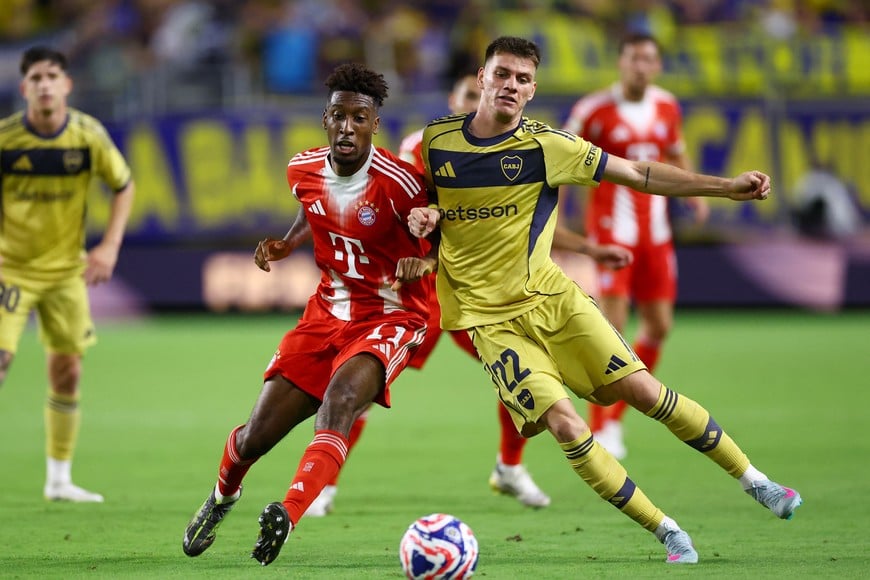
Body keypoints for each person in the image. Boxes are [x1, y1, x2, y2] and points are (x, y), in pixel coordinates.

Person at [408, 36, 802, 565]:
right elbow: (422, 202)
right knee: (566, 425)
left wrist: (724, 187)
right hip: (490, 324)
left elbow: (638, 173)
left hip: (555, 302)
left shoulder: (549, 146)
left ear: (532, 90)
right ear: (481, 78)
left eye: (523, 79)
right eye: (502, 74)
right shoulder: (437, 141)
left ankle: (757, 481)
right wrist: (424, 221)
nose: (511, 86)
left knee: (644, 391)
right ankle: (667, 531)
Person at [303, 72, 633, 517]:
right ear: (454, 100)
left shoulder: (497, 152)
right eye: (470, 97)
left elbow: (524, 226)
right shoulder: (422, 149)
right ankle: (324, 486)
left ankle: (509, 467)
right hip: (415, 296)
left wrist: (591, 248)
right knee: (360, 390)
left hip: (469, 294)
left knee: (524, 374)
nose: (478, 103)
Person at [182, 63, 437, 567]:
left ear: (374, 125)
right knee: (255, 435)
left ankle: (289, 512)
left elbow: (447, 242)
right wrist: (287, 243)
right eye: (339, 116)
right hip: (324, 315)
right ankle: (221, 499)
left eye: (359, 117)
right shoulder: (302, 169)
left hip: (390, 315)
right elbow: (310, 208)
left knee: (340, 403)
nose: (347, 127)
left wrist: (424, 259)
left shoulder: (402, 184)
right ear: (325, 119)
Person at [561, 32, 709, 459]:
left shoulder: (667, 105)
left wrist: (696, 194)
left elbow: (676, 154)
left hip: (657, 235)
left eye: (647, 59)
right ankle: (604, 424)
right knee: (614, 329)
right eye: (632, 58)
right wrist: (561, 219)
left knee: (659, 326)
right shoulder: (593, 110)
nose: (640, 66)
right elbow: (561, 161)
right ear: (620, 62)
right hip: (611, 233)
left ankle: (616, 418)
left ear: (657, 66)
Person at [0, 46, 135, 503]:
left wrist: (110, 246)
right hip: (11, 270)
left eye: (51, 75)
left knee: (68, 371)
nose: (44, 84)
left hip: (65, 273)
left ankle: (58, 479)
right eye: (35, 77)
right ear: (24, 89)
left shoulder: (86, 135)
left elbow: (123, 184)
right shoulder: (6, 139)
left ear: (66, 84)